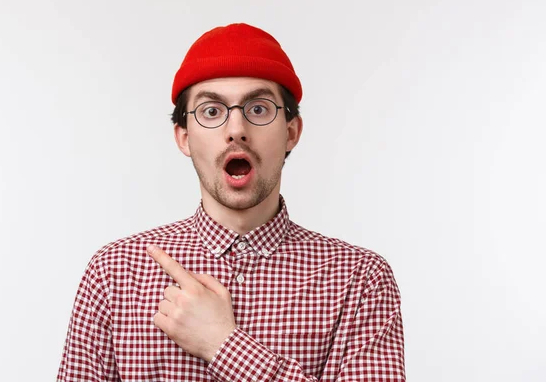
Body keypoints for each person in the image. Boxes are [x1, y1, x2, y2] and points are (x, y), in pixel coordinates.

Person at [57, 23, 406, 382]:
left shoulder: (361, 280)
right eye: (211, 111)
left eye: (258, 109)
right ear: (184, 137)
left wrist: (223, 344)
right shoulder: (115, 274)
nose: (236, 129)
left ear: (290, 132)